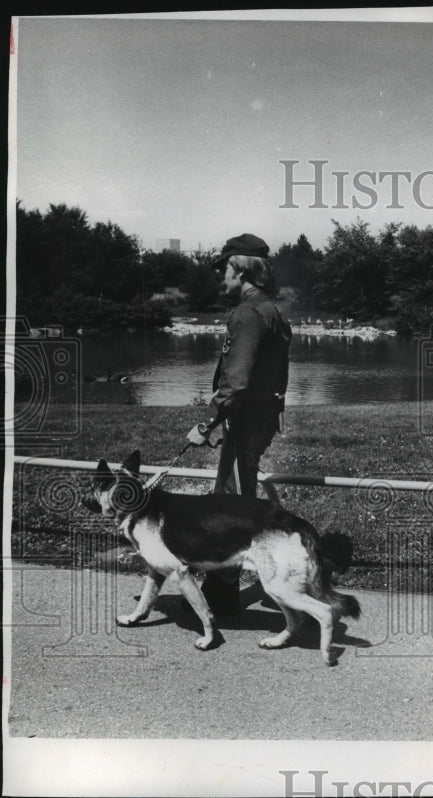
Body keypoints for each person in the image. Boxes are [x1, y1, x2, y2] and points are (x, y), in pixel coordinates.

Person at [186, 233, 292, 616]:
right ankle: (228, 583)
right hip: (261, 417)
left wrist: (207, 422)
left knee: (230, 504)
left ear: (242, 270)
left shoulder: (247, 313)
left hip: (243, 418)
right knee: (240, 499)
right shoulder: (273, 310)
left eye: (225, 268)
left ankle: (222, 592)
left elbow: (238, 380)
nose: (221, 276)